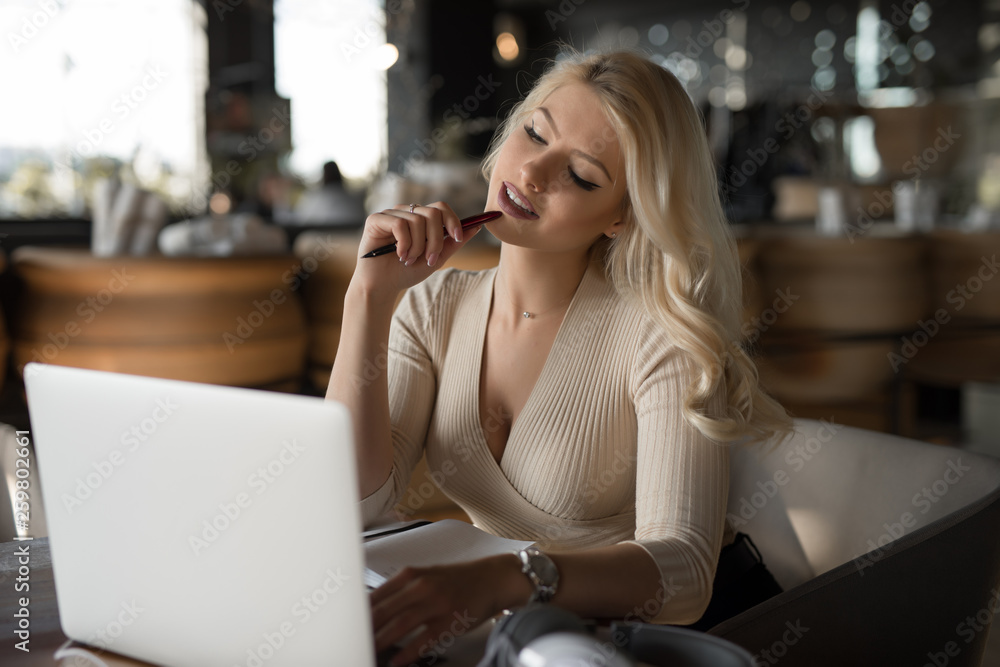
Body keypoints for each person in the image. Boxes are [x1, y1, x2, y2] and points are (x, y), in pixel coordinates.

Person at [326, 49, 793, 666]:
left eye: (582, 176)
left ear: (623, 215)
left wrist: (505, 578)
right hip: (527, 639)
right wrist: (368, 300)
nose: (535, 172)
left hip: (681, 643)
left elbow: (683, 574)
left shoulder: (661, 335)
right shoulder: (433, 306)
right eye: (534, 132)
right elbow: (353, 505)